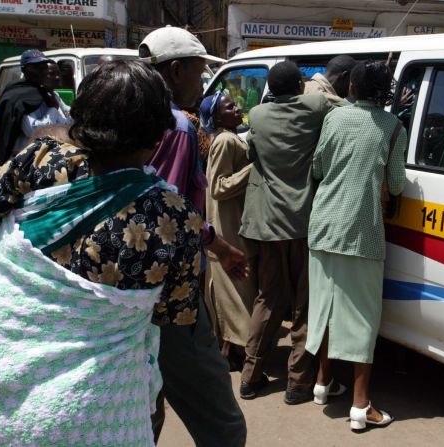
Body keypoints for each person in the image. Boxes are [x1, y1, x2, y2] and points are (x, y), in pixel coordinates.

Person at [0, 60, 248, 447]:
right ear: (159, 134)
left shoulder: (43, 161)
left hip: (2, 410)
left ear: (80, 121)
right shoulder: (175, 219)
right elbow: (173, 321)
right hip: (98, 420)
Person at [139, 25, 248, 447]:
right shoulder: (178, 127)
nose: (203, 83)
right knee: (224, 427)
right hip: (173, 298)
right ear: (176, 70)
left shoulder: (130, 120)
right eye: (200, 73)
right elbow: (167, 211)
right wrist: (214, 244)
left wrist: (217, 245)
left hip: (129, 290)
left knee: (148, 408)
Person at [305, 60, 406, 430]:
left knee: (326, 309)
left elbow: (317, 166)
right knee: (363, 318)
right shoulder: (394, 128)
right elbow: (396, 184)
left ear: (352, 89)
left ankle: (321, 383)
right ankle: (361, 407)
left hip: (322, 226)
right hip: (361, 232)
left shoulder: (335, 119)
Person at [238, 61, 335, 404]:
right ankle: (297, 383)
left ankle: (250, 376)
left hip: (267, 226)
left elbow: (252, 153)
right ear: (299, 85)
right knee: (304, 306)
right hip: (303, 224)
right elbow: (342, 106)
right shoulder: (315, 106)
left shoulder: (258, 115)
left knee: (268, 299)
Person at [200, 92, 256, 370]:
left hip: (230, 221)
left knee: (232, 289)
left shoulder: (230, 138)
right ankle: (244, 351)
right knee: (237, 289)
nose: (237, 109)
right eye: (229, 107)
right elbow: (219, 187)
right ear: (216, 116)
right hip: (227, 224)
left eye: (235, 105)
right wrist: (255, 169)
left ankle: (232, 348)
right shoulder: (224, 140)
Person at [0, 50, 71, 167]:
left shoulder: (48, 93)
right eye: (35, 67)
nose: (41, 70)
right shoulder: (20, 96)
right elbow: (34, 131)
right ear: (25, 69)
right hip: (26, 161)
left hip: (50, 156)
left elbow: (66, 120)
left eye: (43, 66)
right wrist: (53, 109)